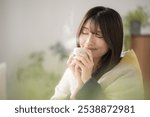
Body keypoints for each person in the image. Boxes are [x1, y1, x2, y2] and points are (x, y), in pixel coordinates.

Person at [51, 6, 144, 100]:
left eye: (99, 35)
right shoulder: (73, 70)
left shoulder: (126, 73)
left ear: (113, 39)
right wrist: (79, 81)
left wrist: (87, 80)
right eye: (85, 32)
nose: (88, 42)